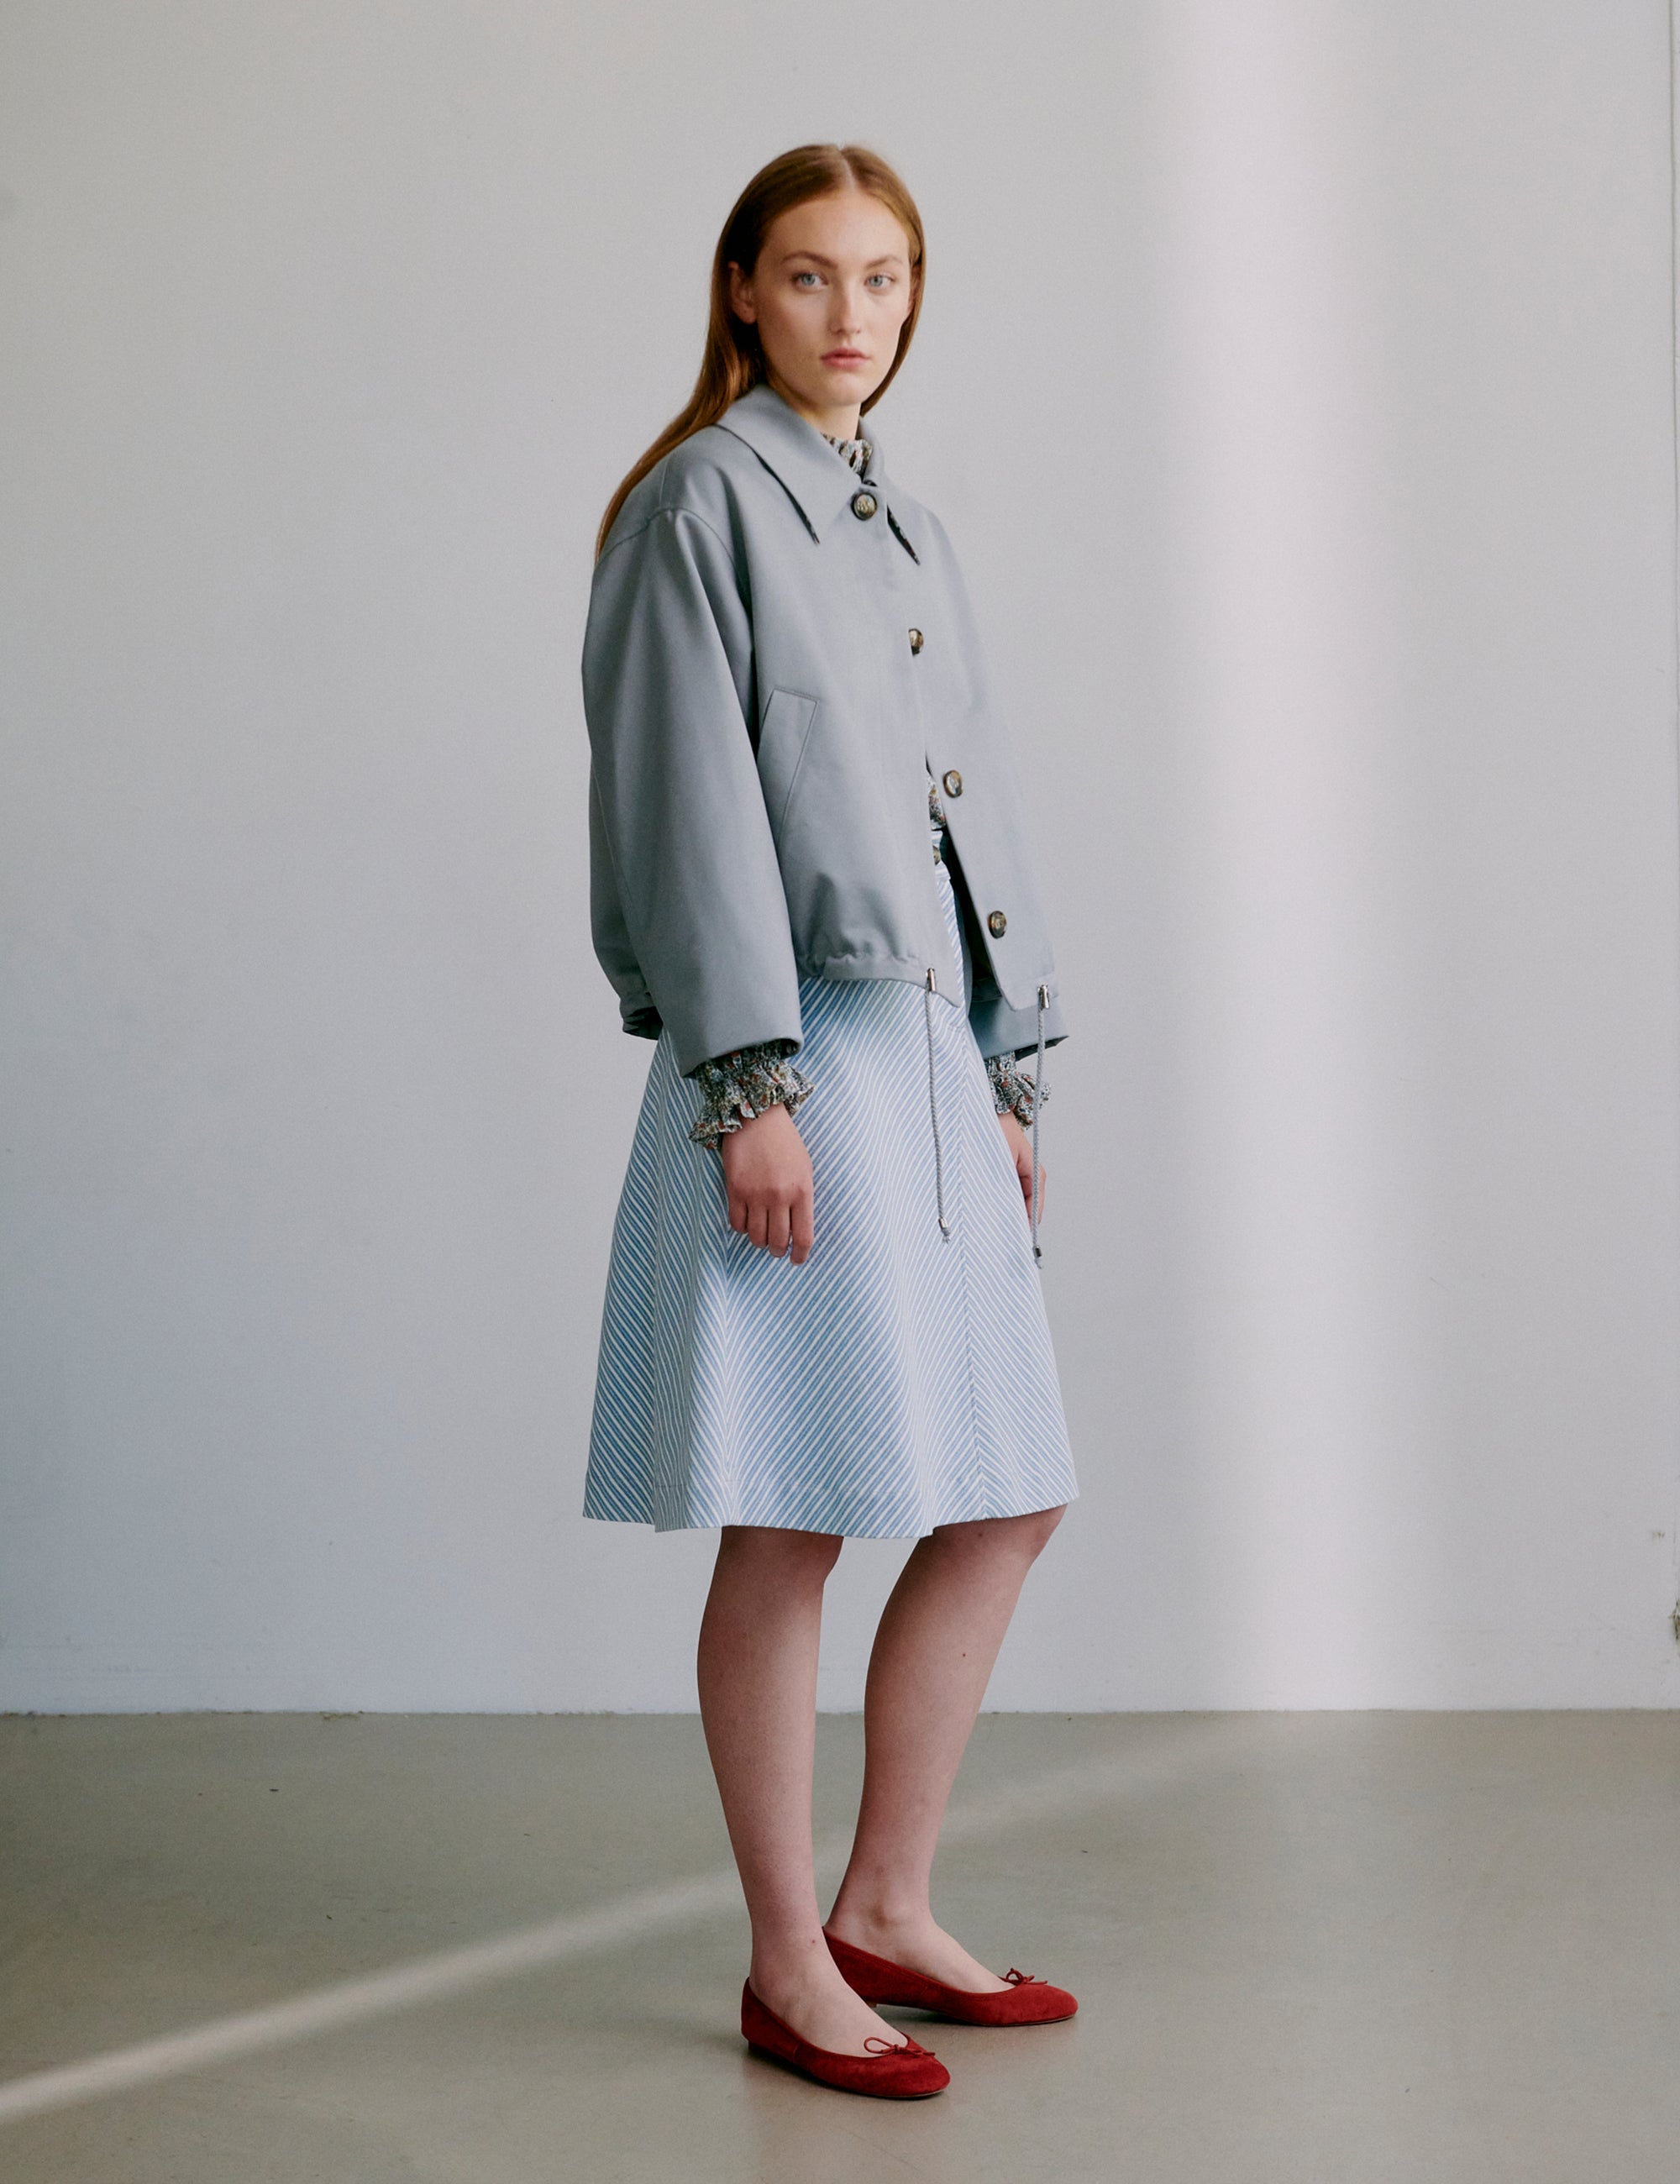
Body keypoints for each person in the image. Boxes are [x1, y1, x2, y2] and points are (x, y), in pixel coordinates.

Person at [580, 142, 1079, 2101]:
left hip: (930, 1055)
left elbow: (971, 808)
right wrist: (746, 1087)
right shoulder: (697, 502)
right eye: (809, 277)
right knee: (794, 1512)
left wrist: (1003, 1061)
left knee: (1004, 1487)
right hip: (791, 1055)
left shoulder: (907, 527)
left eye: (883, 279)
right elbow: (683, 806)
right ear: (739, 292)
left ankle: (887, 1898)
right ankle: (789, 1958)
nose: (852, 315)